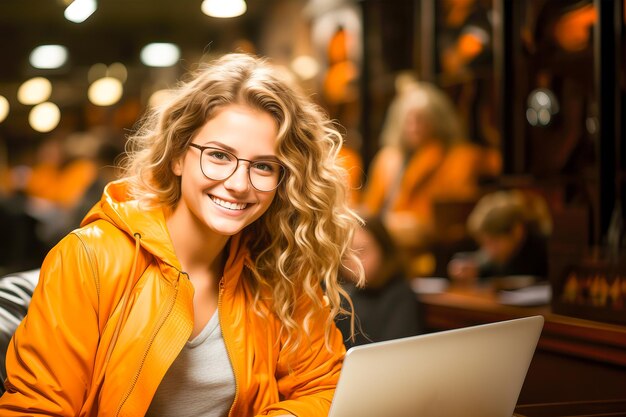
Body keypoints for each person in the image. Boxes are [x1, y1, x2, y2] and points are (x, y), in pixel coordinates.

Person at [0, 53, 364, 416]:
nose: (239, 184)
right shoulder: (88, 258)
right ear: (177, 156)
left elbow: (322, 388)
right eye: (219, 155)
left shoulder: (279, 268)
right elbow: (36, 409)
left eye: (264, 166)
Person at [361, 78, 500, 249]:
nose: (414, 127)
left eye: (421, 120)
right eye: (408, 120)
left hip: (432, 245)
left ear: (437, 121)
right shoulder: (387, 158)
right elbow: (371, 208)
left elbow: (454, 215)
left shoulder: (460, 157)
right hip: (384, 243)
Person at [335, 216, 422, 349]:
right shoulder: (343, 295)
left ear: (383, 249)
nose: (353, 262)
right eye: (345, 254)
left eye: (361, 251)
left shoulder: (400, 294)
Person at [447, 189, 552, 283]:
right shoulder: (497, 256)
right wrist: (473, 269)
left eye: (495, 242)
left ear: (517, 231)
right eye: (484, 243)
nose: (490, 251)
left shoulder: (547, 252)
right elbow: (484, 261)